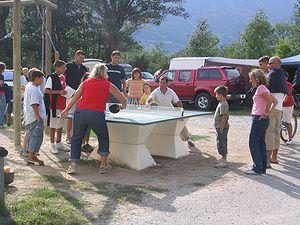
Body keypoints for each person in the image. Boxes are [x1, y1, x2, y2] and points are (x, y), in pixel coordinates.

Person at [60, 63, 127, 174]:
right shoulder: (108, 84)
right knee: (103, 137)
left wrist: (66, 110)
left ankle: (72, 165)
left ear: (93, 72)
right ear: (105, 73)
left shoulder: (85, 83)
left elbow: (75, 97)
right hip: (97, 114)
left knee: (76, 138)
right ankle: (103, 165)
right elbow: (123, 99)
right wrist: (121, 106)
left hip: (80, 112)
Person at [146, 76, 195, 147]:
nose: (162, 84)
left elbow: (178, 102)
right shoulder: (156, 91)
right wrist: (148, 104)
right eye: (161, 82)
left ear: (167, 84)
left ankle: (188, 139)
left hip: (171, 112)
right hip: (159, 113)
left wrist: (181, 111)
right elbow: (149, 99)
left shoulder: (171, 92)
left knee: (181, 123)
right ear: (159, 83)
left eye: (164, 83)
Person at [246, 69, 277, 175]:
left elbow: (270, 101)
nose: (250, 81)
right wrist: (267, 113)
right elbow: (275, 101)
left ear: (257, 78)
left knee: (253, 142)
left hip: (259, 118)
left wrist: (266, 113)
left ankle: (257, 168)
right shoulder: (264, 88)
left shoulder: (260, 88)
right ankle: (262, 167)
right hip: (261, 118)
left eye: (251, 78)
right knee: (260, 143)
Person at [266, 56, 288, 167]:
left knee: (269, 133)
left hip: (271, 108)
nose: (268, 65)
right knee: (276, 133)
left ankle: (267, 161)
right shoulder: (282, 75)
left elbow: (266, 91)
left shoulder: (272, 74)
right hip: (279, 108)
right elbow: (285, 93)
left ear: (276, 63)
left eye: (270, 63)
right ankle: (274, 157)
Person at [23, 69, 46, 165]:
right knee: (36, 137)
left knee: (34, 136)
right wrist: (38, 117)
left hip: (30, 116)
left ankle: (32, 155)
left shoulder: (29, 85)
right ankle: (31, 157)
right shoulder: (34, 89)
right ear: (36, 78)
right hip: (34, 117)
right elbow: (34, 104)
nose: (42, 80)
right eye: (41, 78)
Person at [65, 50, 88, 144]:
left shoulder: (84, 68)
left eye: (83, 58)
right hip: (70, 90)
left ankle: (76, 135)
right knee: (69, 113)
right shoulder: (69, 65)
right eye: (80, 57)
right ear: (75, 56)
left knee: (78, 114)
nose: (81, 59)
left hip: (81, 92)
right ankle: (68, 136)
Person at [44, 60, 68, 154]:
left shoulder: (63, 77)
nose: (64, 69)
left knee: (60, 125)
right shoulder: (51, 77)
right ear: (57, 67)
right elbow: (46, 91)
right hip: (54, 105)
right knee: (53, 125)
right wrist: (58, 92)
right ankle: (52, 144)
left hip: (63, 104)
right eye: (63, 67)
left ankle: (59, 142)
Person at [213, 86, 230, 168]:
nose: (216, 96)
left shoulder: (223, 104)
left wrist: (221, 128)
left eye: (216, 94)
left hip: (221, 128)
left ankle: (224, 160)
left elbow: (224, 117)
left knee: (222, 143)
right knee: (220, 142)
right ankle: (223, 158)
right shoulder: (221, 103)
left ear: (221, 95)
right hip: (219, 127)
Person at [282, 72, 295, 146]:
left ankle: (290, 139)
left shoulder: (288, 85)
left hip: (288, 105)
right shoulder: (279, 84)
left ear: (286, 78)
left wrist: (283, 101)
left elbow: (287, 94)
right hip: (280, 105)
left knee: (288, 122)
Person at [0, 62, 6, 128]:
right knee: (3, 108)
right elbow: (0, 84)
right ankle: (0, 123)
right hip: (1, 93)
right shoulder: (1, 75)